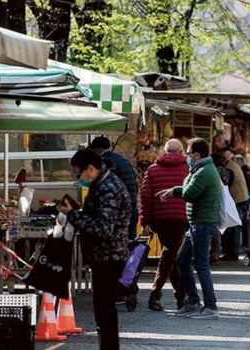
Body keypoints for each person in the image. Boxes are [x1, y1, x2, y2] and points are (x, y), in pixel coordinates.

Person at [61, 149, 131, 350]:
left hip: (109, 256)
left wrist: (74, 214)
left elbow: (102, 228)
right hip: (104, 255)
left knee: (105, 310)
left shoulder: (108, 188)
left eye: (78, 173)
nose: (79, 178)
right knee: (103, 310)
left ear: (90, 169)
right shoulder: (101, 184)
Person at [157, 138, 221, 320]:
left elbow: (190, 193)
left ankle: (211, 306)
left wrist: (175, 191)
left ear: (196, 155)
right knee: (182, 260)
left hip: (203, 224)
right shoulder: (200, 169)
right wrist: (174, 189)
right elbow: (187, 187)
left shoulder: (204, 171)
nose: (186, 156)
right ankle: (193, 301)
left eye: (188, 153)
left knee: (201, 265)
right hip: (196, 224)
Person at [140, 139, 189, 311]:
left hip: (159, 219)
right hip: (180, 218)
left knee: (170, 255)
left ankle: (181, 296)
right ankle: (156, 294)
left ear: (164, 150)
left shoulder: (152, 169)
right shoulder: (187, 169)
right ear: (181, 151)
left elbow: (145, 197)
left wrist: (144, 221)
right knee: (169, 254)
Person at [89, 136, 139, 240]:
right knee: (130, 243)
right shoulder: (124, 160)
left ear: (96, 150)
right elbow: (135, 184)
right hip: (132, 208)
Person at [220, 149, 249, 260]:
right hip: (241, 198)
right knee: (234, 226)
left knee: (234, 226)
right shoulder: (233, 166)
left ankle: (233, 253)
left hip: (237, 200)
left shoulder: (228, 169)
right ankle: (231, 252)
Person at [209, 153, 233, 265]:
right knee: (217, 228)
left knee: (214, 229)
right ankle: (215, 254)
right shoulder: (225, 170)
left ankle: (213, 254)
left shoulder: (214, 171)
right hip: (221, 199)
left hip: (214, 200)